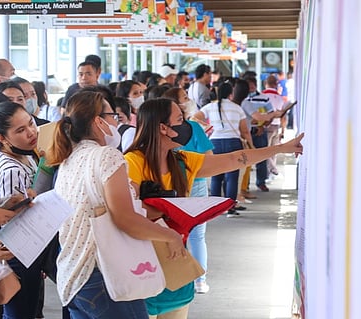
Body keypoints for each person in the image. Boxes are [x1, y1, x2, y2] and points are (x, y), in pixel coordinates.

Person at [124, 98, 304, 318]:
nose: (187, 126)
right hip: (142, 267)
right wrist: (164, 209)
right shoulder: (132, 162)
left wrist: (282, 148)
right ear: (163, 128)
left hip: (176, 266)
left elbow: (234, 159)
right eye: (180, 120)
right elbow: (128, 212)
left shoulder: (182, 161)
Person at [45, 91, 186, 319]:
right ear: (98, 121)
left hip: (72, 277)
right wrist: (170, 236)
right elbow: (125, 218)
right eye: (113, 116)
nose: (117, 122)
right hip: (102, 275)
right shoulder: (107, 156)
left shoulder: (68, 159)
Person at [0, 101, 44, 319]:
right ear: (2, 138)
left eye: (30, 123)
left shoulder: (26, 154)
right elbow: (9, 223)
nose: (31, 132)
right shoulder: (10, 169)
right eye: (20, 130)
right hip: (17, 254)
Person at [163, 87, 213, 293]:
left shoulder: (159, 130)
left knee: (173, 232)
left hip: (169, 186)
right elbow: (209, 157)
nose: (188, 100)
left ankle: (177, 278)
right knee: (197, 235)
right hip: (197, 183)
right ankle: (200, 280)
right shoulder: (194, 128)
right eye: (184, 98)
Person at [193, 82, 253, 216]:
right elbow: (245, 131)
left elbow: (194, 118)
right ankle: (230, 208)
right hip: (233, 143)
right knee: (232, 177)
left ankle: (215, 208)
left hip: (215, 143)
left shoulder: (209, 107)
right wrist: (251, 145)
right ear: (230, 94)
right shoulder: (237, 108)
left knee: (216, 176)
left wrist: (207, 129)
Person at [241, 77, 282, 192]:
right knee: (245, 159)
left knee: (261, 157)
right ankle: (245, 186)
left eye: (253, 84)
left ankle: (261, 181)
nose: (251, 87)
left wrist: (262, 126)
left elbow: (269, 115)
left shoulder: (264, 98)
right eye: (249, 85)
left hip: (259, 131)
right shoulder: (242, 100)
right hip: (245, 132)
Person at [262, 75, 287, 177]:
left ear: (265, 83)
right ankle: (271, 171)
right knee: (273, 150)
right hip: (277, 125)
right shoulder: (280, 98)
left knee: (265, 149)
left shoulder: (262, 96)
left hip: (265, 126)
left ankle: (272, 169)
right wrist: (283, 131)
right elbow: (283, 116)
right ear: (276, 84)